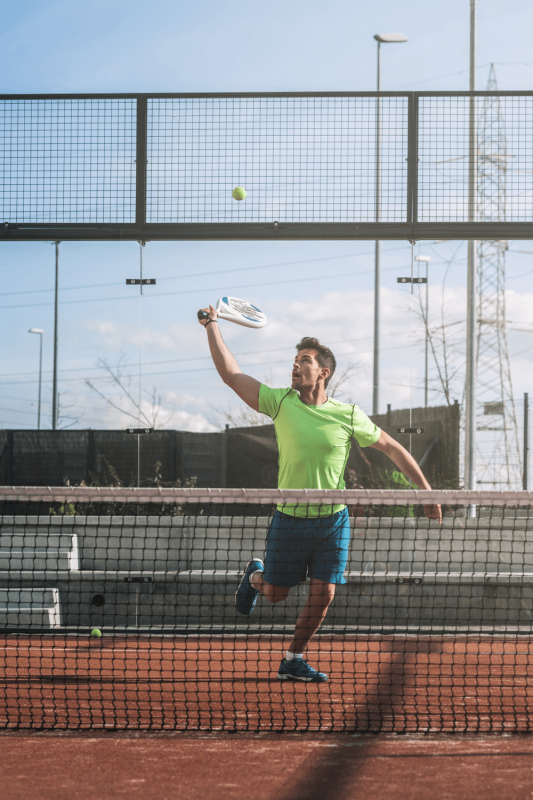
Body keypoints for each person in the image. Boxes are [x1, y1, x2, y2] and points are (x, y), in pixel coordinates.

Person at [199, 305, 442, 683]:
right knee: (276, 595)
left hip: (332, 522)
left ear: (323, 372)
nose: (295, 365)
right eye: (294, 360)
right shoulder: (281, 402)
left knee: (324, 593)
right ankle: (255, 577)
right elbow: (232, 376)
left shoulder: (347, 415)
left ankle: (293, 658)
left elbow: (394, 448)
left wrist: (426, 493)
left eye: (305, 360)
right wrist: (212, 325)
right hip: (290, 519)